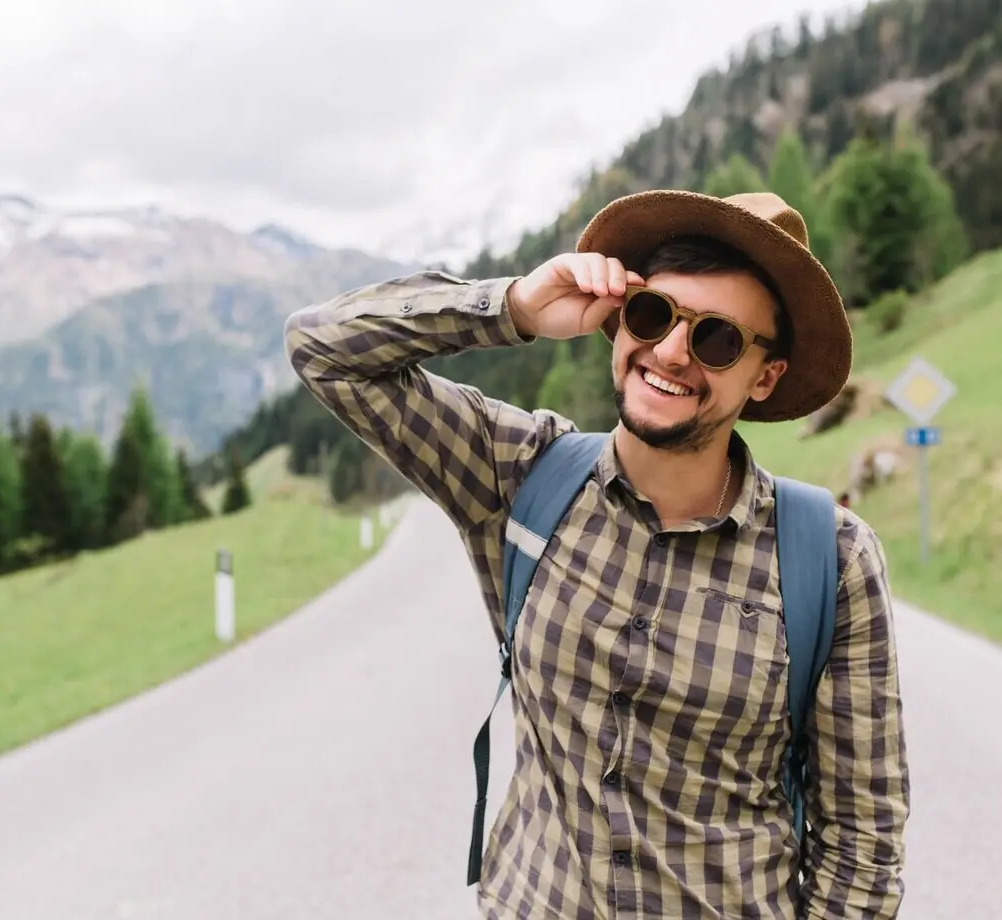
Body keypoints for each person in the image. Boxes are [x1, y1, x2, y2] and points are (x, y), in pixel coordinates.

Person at [284, 189, 910, 919]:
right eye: (654, 315)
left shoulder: (830, 558)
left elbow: (863, 843)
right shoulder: (519, 472)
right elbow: (323, 349)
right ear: (620, 321)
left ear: (764, 376)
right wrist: (512, 307)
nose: (671, 351)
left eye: (718, 340)